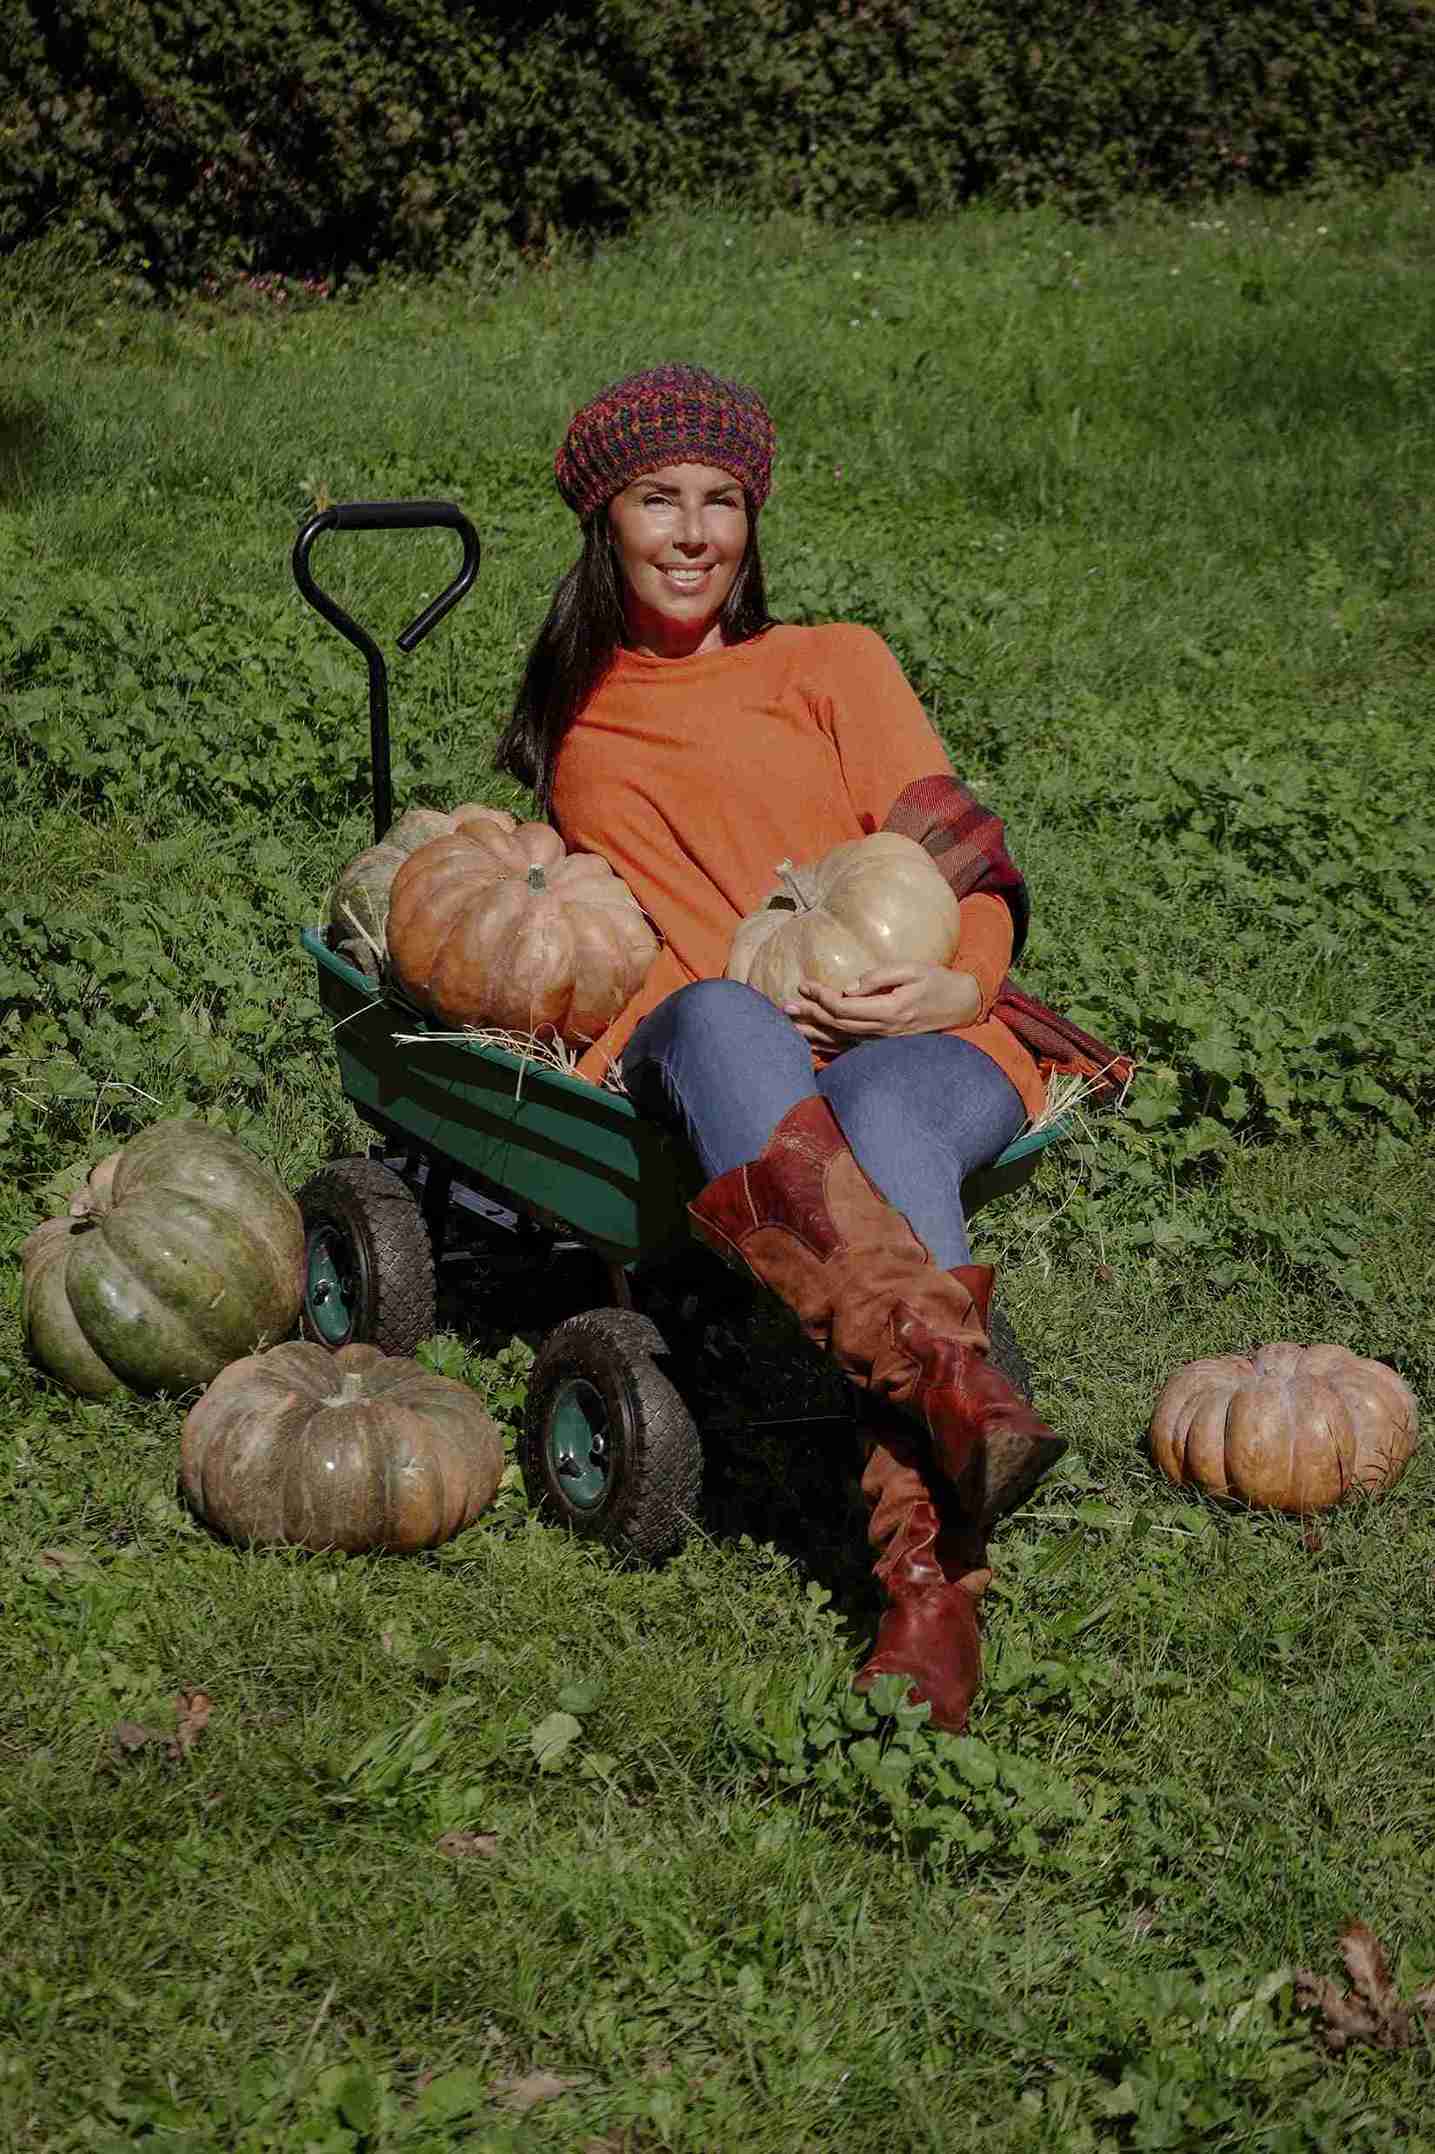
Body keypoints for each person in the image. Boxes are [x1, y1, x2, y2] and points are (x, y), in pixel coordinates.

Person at [495, 362, 1066, 1734]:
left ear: (752, 523)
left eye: (722, 502)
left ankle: (927, 1569)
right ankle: (951, 1397)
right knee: (719, 1011)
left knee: (884, 1109)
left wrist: (947, 989)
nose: (692, 534)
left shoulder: (834, 662)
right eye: (657, 500)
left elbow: (966, 864)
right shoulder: (581, 734)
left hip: (925, 1036)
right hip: (740, 1044)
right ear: (604, 519)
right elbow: (639, 948)